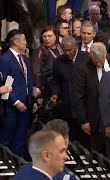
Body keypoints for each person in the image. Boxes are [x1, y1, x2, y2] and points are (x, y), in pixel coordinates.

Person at [0, 29, 40, 157]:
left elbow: (29, 81)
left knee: (21, 139)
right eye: (23, 40)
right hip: (11, 108)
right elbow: (5, 84)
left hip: (26, 105)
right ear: (16, 42)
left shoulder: (25, 60)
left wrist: (33, 100)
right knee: (7, 139)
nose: (26, 42)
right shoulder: (5, 59)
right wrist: (16, 101)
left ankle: (19, 170)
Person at [50, 35, 90, 141]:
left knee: (85, 140)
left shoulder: (86, 58)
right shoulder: (58, 61)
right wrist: (55, 94)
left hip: (84, 107)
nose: (67, 53)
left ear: (76, 46)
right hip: (67, 107)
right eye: (64, 50)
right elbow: (56, 81)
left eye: (69, 50)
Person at [74, 42, 106, 152]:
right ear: (91, 57)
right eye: (95, 61)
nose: (98, 63)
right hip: (92, 118)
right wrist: (83, 121)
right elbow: (78, 97)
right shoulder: (83, 69)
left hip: (108, 118)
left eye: (101, 61)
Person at [32, 25, 64, 121]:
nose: (47, 39)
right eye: (44, 36)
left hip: (61, 88)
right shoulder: (40, 50)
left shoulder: (60, 48)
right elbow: (36, 73)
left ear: (56, 36)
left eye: (50, 36)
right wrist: (39, 96)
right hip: (47, 89)